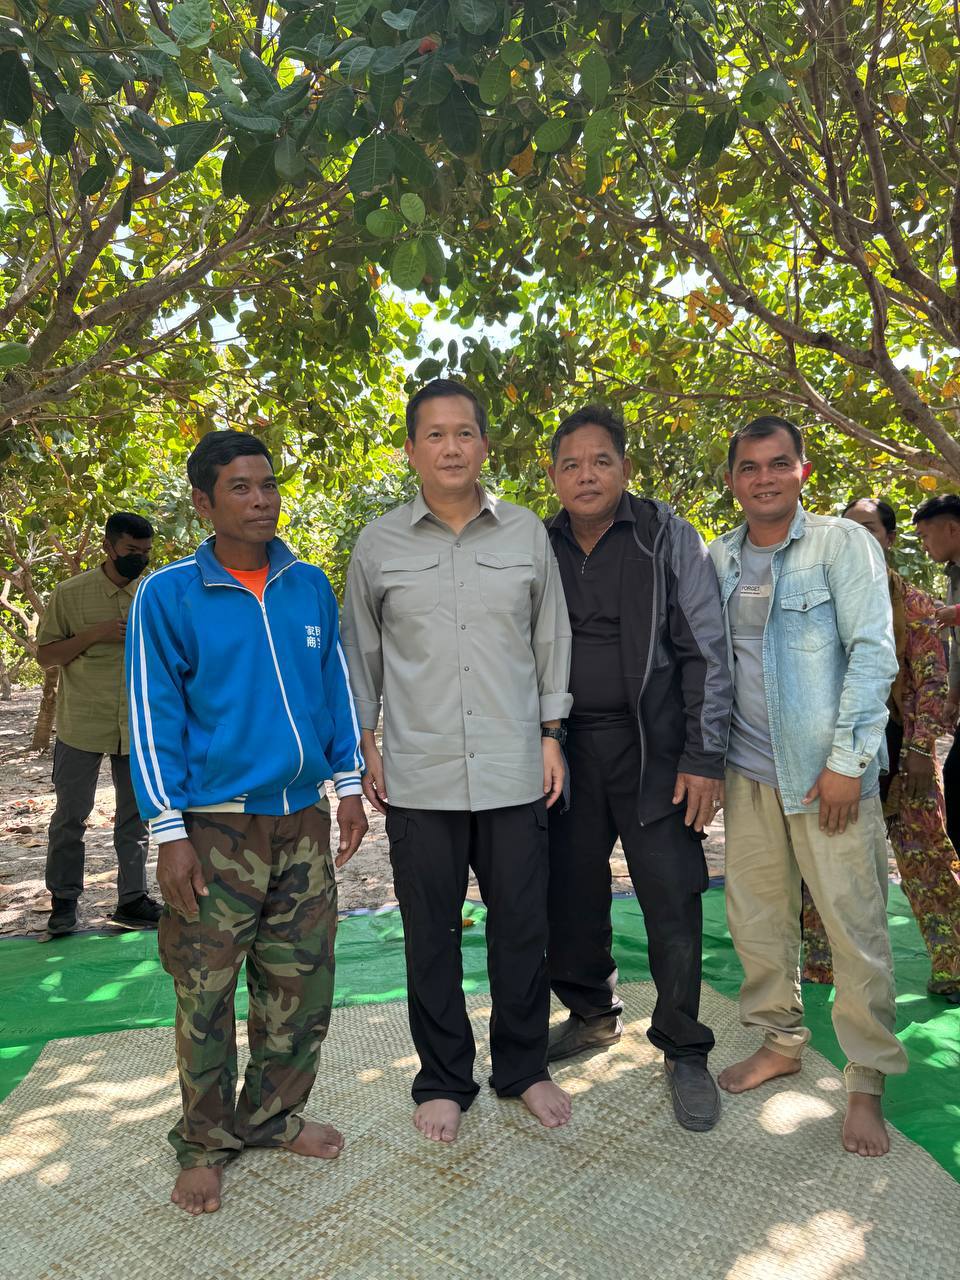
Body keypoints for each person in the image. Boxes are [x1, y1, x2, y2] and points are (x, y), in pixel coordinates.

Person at [127, 430, 368, 1216]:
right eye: (241, 487)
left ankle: (271, 1118)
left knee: (301, 982)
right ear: (204, 502)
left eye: (268, 485)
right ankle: (204, 1143)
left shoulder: (307, 585)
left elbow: (333, 692)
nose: (262, 501)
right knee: (205, 993)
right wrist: (167, 833)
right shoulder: (169, 596)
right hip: (213, 831)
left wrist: (348, 788)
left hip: (301, 820)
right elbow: (152, 716)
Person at [341, 378, 573, 1144]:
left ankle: (524, 1067)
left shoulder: (525, 533)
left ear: (484, 445)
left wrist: (551, 734)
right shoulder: (379, 544)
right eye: (434, 435)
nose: (450, 448)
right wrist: (366, 743)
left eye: (463, 433)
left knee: (521, 928)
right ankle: (444, 1078)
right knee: (430, 935)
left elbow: (550, 637)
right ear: (411, 450)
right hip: (419, 773)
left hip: (514, 766)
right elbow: (361, 652)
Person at [708, 416, 907, 1158]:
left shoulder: (841, 544)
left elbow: (873, 654)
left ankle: (866, 1081)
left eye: (777, 463)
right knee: (757, 923)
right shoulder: (719, 557)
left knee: (855, 929)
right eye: (749, 466)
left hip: (829, 779)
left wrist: (848, 764)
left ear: (803, 471)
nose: (763, 477)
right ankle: (780, 1043)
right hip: (747, 774)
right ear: (732, 480)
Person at [543, 405, 730, 1132]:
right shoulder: (539, 543)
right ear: (553, 476)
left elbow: (705, 651)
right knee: (570, 892)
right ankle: (591, 1013)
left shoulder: (666, 535)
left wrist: (703, 757)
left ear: (625, 468)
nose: (586, 475)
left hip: (656, 751)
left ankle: (683, 1045)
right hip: (565, 750)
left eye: (601, 461)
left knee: (672, 896)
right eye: (571, 464)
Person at [802, 499, 960, 1004]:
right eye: (848, 529)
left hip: (904, 759)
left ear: (889, 539)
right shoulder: (818, 601)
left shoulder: (914, 605)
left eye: (869, 528)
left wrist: (919, 749)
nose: (858, 538)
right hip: (837, 759)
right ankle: (821, 967)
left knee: (929, 862)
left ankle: (954, 964)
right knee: (824, 862)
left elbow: (932, 681)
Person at [37, 512, 160, 935]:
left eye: (146, 552)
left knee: (135, 818)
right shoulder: (70, 594)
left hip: (138, 725)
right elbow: (46, 656)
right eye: (131, 550)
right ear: (108, 547)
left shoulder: (153, 594)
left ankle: (132, 900)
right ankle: (63, 902)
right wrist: (95, 634)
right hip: (82, 724)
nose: (139, 558)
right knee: (70, 817)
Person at [912, 493, 960, 855]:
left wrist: (955, 613)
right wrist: (953, 696)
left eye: (926, 536)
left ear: (952, 529)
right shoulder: (952, 574)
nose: (925, 546)